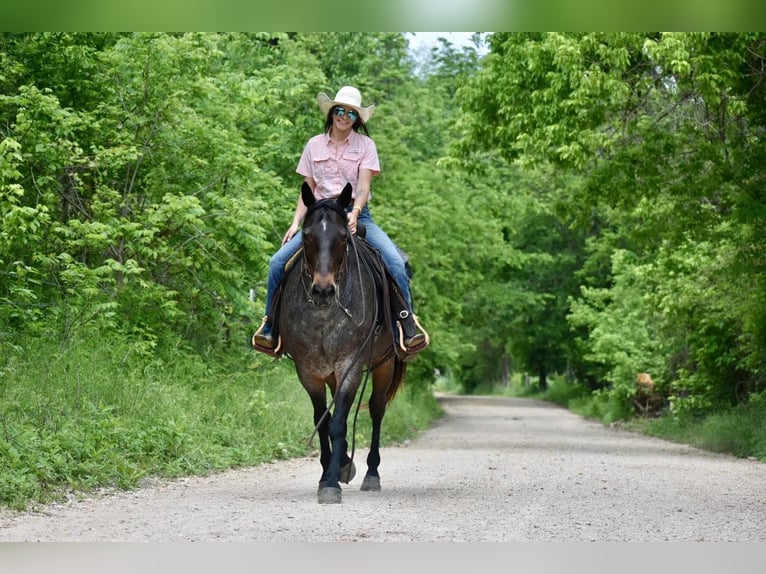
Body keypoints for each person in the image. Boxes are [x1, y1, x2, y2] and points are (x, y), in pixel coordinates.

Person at [252, 85, 428, 357]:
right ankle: (270, 328)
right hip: (319, 216)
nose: (344, 116)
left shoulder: (366, 146)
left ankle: (406, 324)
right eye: (340, 111)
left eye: (350, 113)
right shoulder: (313, 145)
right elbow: (306, 188)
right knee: (277, 262)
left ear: (356, 118)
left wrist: (355, 213)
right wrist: (295, 222)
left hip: (353, 213)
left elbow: (363, 187)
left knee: (394, 261)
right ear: (332, 113)